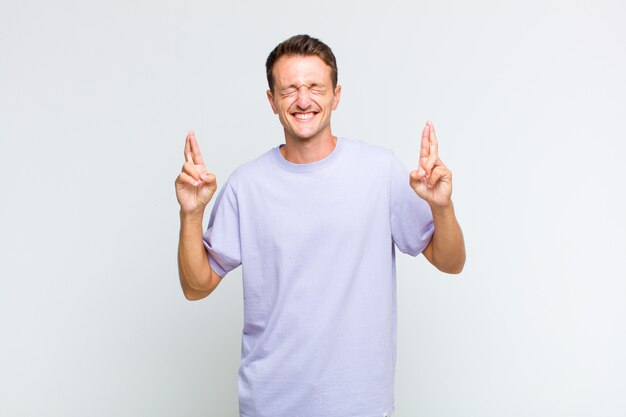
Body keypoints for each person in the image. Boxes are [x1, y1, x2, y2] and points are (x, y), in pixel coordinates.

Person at [175, 34, 465, 417]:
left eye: (315, 86)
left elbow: (450, 262)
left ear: (336, 95)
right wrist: (191, 215)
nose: (303, 100)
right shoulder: (247, 186)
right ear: (272, 101)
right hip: (269, 404)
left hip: (360, 405)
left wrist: (441, 207)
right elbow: (196, 287)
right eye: (289, 89)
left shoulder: (380, 171)